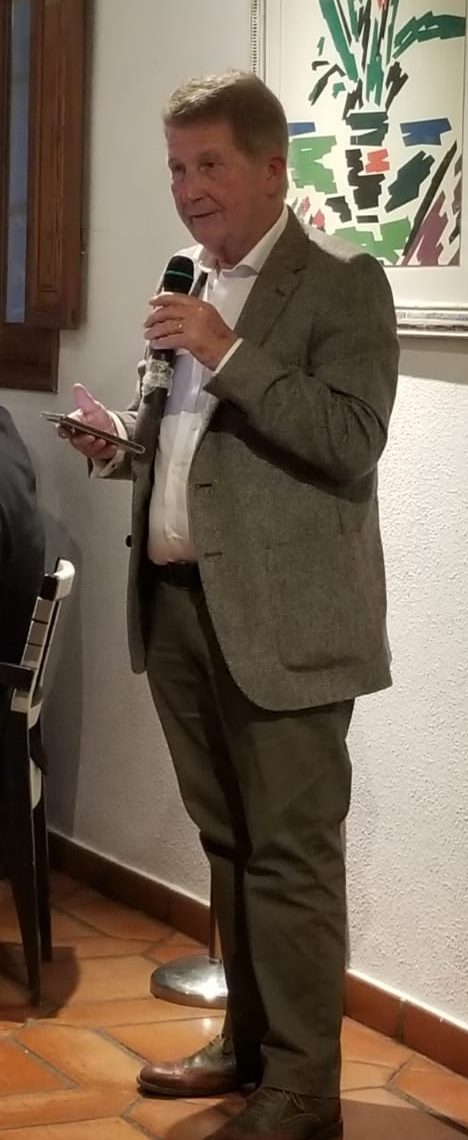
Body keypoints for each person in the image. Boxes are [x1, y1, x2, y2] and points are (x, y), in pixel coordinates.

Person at [62, 71, 399, 1140]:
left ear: (271, 168)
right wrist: (121, 444)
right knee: (227, 844)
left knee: (292, 857)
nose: (188, 188)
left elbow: (350, 439)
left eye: (209, 164)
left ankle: (303, 1087)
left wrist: (225, 349)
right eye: (176, 167)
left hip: (287, 624)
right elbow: (191, 451)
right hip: (177, 608)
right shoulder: (190, 277)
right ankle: (248, 1044)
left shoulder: (343, 283)